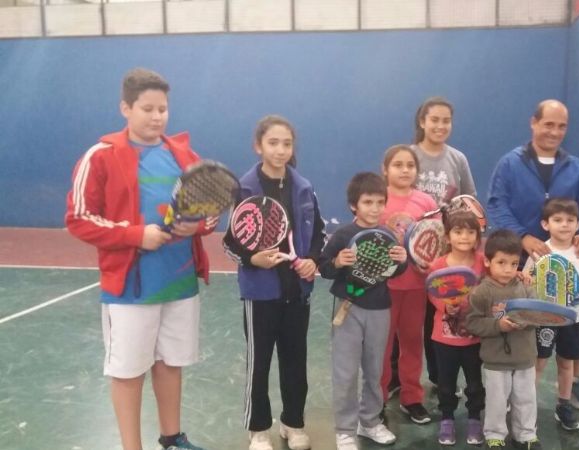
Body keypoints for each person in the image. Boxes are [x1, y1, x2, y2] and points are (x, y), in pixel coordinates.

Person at [65, 68, 211, 450]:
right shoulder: (101, 156)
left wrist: (196, 227)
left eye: (162, 108)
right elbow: (78, 218)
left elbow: (209, 210)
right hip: (130, 288)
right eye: (147, 108)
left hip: (179, 283)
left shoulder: (184, 154)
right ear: (125, 108)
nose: (157, 116)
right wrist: (136, 235)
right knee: (129, 372)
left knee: (170, 363)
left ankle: (172, 437)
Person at [486, 99, 579, 411]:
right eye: (549, 124)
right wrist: (522, 237)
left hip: (566, 260)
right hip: (521, 261)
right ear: (533, 123)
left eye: (562, 126)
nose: (555, 131)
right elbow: (497, 203)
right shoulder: (510, 163)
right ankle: (515, 389)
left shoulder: (576, 167)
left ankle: (575, 382)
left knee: (577, 318)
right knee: (524, 322)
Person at [222, 115, 325, 450]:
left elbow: (318, 235)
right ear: (259, 146)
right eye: (273, 143)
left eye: (287, 144)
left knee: (296, 361)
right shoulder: (245, 189)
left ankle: (293, 424)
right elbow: (230, 242)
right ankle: (259, 429)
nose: (281, 150)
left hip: (297, 292)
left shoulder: (305, 187)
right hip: (260, 294)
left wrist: (313, 261)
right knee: (260, 363)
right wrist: (253, 259)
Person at [318, 172, 408, 450]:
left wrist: (402, 260)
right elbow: (324, 268)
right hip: (348, 308)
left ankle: (368, 422)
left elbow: (393, 271)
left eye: (380, 202)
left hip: (380, 309)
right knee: (345, 371)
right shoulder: (343, 235)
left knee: (375, 368)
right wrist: (338, 261)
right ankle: (345, 429)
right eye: (368, 202)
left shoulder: (389, 235)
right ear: (353, 205)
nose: (375, 208)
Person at [523, 198, 579, 431]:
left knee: (566, 364)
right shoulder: (540, 251)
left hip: (574, 319)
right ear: (545, 224)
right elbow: (526, 278)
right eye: (558, 220)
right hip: (545, 320)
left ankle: (564, 404)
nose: (564, 225)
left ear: (577, 224)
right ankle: (526, 406)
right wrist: (531, 285)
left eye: (570, 220)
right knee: (538, 363)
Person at [410, 96, 478, 392]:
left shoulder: (458, 159)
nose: (440, 125)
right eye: (434, 119)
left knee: (445, 313)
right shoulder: (408, 156)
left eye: (445, 120)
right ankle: (407, 380)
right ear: (422, 121)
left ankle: (441, 380)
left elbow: (469, 204)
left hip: (449, 257)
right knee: (416, 321)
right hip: (414, 256)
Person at [378, 145, 438, 424]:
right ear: (385, 170)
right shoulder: (378, 199)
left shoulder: (426, 202)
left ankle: (412, 398)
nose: (404, 170)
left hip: (416, 287)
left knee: (413, 343)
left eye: (410, 165)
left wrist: (430, 263)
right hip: (383, 288)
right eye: (398, 165)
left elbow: (436, 240)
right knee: (380, 345)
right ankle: (376, 397)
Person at [465, 230, 541, 450]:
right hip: (495, 360)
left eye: (514, 263)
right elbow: (473, 323)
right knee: (497, 402)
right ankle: (495, 435)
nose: (508, 269)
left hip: (525, 357)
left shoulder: (525, 287)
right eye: (501, 263)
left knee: (526, 398)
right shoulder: (482, 292)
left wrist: (525, 321)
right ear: (487, 261)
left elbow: (538, 316)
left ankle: (526, 435)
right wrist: (498, 325)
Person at [426, 211, 486, 446]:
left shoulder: (483, 262)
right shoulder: (438, 265)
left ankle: (474, 418)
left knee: (474, 383)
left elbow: (495, 284)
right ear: (448, 237)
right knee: (446, 383)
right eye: (458, 231)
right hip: (443, 339)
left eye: (471, 232)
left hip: (475, 339)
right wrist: (445, 307)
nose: (465, 237)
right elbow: (432, 295)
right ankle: (447, 418)